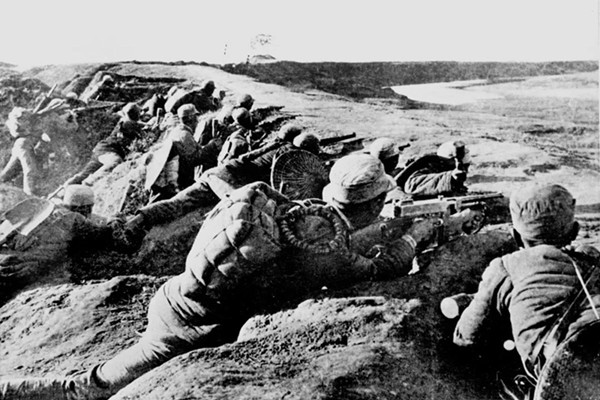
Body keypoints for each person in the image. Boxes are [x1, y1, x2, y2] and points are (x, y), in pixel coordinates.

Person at [0, 154, 441, 399]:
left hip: (171, 296)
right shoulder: (327, 253)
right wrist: (416, 236)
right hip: (188, 330)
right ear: (375, 204)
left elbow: (319, 238)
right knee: (87, 389)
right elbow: (381, 268)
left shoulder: (285, 207)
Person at [453, 183, 600, 397]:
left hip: (562, 382)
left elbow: (466, 337)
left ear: (515, 235)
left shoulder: (507, 267)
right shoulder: (593, 259)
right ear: (575, 231)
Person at [125, 124, 319, 238]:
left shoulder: (274, 145)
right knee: (243, 211)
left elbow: (249, 159)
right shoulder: (288, 155)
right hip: (229, 180)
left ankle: (137, 220)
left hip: (215, 173)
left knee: (177, 203)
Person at [0, 185, 114, 298]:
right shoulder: (75, 219)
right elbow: (103, 233)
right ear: (87, 207)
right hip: (23, 269)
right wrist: (114, 221)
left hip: (9, 259)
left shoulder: (44, 209)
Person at [62, 103, 145, 187]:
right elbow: (140, 127)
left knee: (85, 173)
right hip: (108, 150)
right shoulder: (127, 123)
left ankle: (66, 186)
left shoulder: (125, 121)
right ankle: (89, 181)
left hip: (101, 149)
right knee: (115, 161)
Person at [395, 140, 471, 198]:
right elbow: (411, 185)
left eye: (466, 166)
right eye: (464, 167)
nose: (465, 171)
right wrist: (450, 177)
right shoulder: (428, 167)